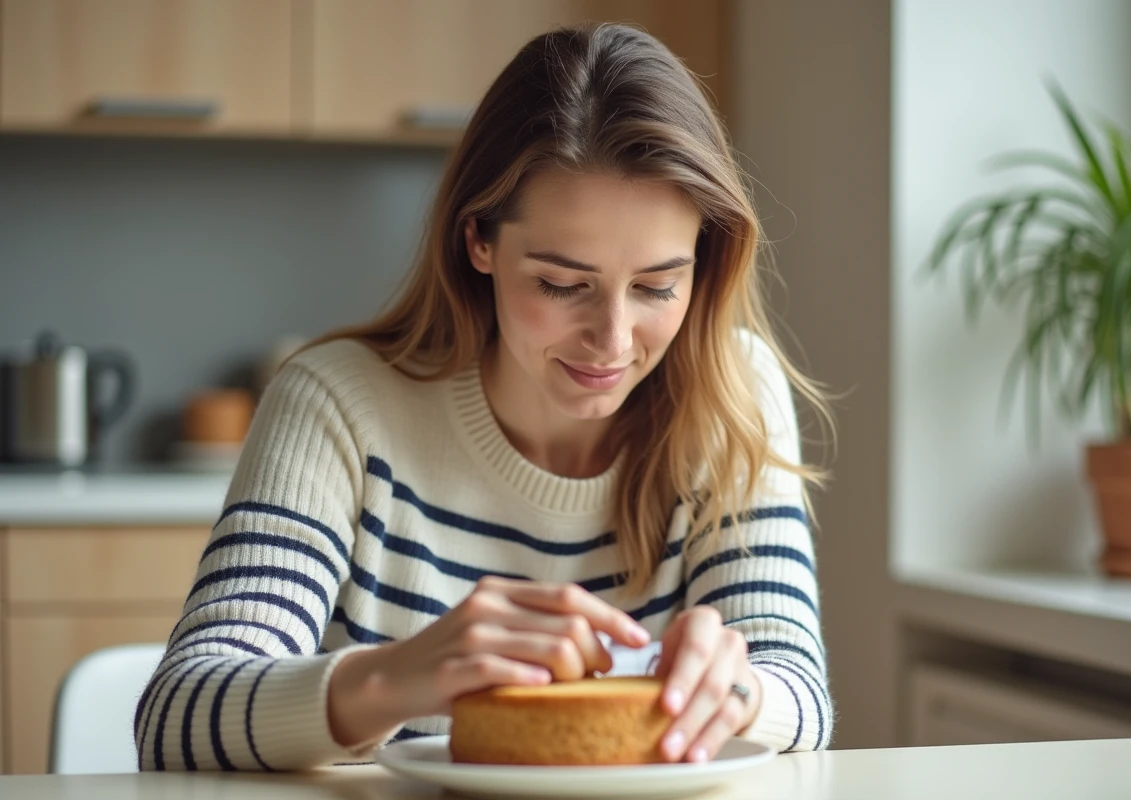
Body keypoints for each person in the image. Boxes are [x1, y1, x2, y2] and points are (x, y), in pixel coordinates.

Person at [136, 22, 833, 772]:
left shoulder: (733, 389)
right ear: (480, 242)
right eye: (563, 284)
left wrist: (742, 693)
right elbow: (176, 714)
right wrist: (399, 677)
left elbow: (802, 698)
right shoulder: (338, 405)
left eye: (659, 286)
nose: (614, 337)